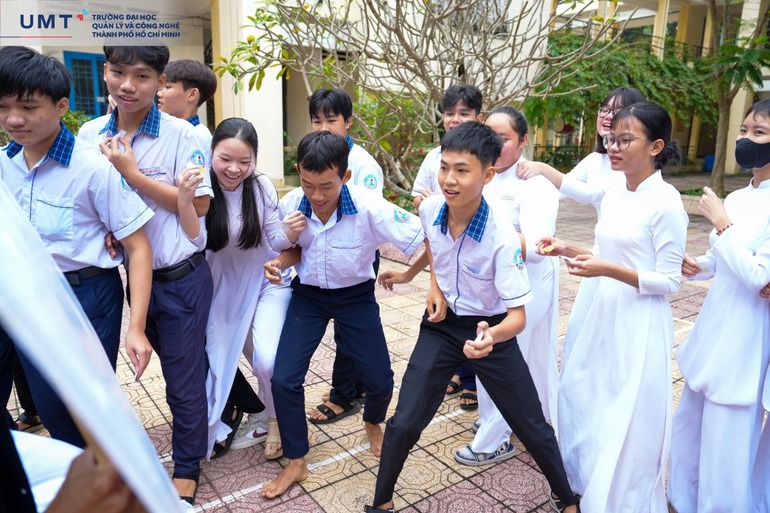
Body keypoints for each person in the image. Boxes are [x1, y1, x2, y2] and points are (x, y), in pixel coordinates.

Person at [366, 121, 580, 513]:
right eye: (444, 167)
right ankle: (381, 503)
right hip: (442, 327)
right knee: (404, 422)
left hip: (491, 330)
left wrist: (491, 337)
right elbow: (434, 244)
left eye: (462, 170)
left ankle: (567, 500)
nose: (449, 179)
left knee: (531, 425)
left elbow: (518, 317)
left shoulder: (502, 238)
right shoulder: (431, 208)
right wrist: (427, 283)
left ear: (487, 175)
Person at [535, 102, 687, 512]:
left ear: (655, 146)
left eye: (624, 140)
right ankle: (584, 480)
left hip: (639, 319)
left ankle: (620, 498)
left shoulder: (667, 203)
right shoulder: (615, 189)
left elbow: (670, 280)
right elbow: (607, 252)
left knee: (625, 408)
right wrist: (570, 248)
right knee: (583, 393)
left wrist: (607, 269)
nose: (613, 148)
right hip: (602, 310)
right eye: (611, 139)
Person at [78, 45, 213, 505]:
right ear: (105, 73)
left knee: (182, 380)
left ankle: (188, 465)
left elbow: (199, 205)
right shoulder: (91, 133)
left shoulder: (183, 134)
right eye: (118, 73)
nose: (128, 86)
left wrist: (132, 174)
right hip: (132, 281)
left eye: (142, 76)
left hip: (179, 279)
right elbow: (90, 200)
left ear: (160, 82)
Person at [0, 46, 154, 448]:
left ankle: (109, 471)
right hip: (25, 296)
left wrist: (136, 328)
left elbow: (138, 246)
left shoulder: (93, 168)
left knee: (81, 409)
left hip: (85, 296)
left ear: (61, 106)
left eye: (27, 107)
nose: (13, 119)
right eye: (3, 107)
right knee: (47, 403)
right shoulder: (3, 164)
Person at [260, 130, 424, 499]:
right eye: (308, 184)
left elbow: (428, 237)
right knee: (283, 379)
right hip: (309, 298)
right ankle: (296, 460)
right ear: (299, 171)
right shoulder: (293, 204)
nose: (316, 196)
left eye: (326, 186)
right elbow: (293, 251)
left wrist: (411, 276)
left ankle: (372, 422)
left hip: (355, 298)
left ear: (345, 176)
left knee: (380, 381)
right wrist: (279, 261)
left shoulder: (370, 207)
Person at [668, 99, 770, 513]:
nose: (746, 139)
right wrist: (699, 265)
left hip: (745, 335)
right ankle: (681, 501)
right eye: (744, 130)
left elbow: (760, 277)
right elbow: (725, 260)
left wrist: (722, 224)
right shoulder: (739, 196)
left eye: (759, 132)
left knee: (726, 447)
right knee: (688, 428)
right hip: (712, 327)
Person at [456, 106, 560, 466]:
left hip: (528, 285)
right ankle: (501, 419)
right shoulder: (483, 176)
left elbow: (538, 247)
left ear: (523, 140)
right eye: (490, 135)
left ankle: (494, 439)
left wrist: (490, 239)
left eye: (504, 138)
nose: (494, 144)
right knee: (501, 357)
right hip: (491, 287)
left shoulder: (536, 186)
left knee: (505, 359)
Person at [199, 118, 302, 460]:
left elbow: (275, 239)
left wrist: (290, 231)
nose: (234, 169)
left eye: (245, 161)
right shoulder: (199, 189)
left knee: (266, 360)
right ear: (211, 152)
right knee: (221, 361)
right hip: (224, 294)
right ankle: (256, 413)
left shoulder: (260, 187)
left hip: (267, 282)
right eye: (225, 159)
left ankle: (274, 421)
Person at [304, 87, 384, 425]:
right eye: (317, 121)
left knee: (349, 329)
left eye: (331, 120)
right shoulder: (314, 155)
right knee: (344, 327)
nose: (323, 128)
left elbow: (366, 214)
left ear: (348, 122)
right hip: (324, 254)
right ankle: (357, 385)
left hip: (355, 255)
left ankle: (343, 396)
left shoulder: (363, 164)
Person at [412, 83, 485, 410]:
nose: (455, 119)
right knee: (446, 309)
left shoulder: (484, 155)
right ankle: (455, 370)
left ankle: (472, 380)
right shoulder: (433, 157)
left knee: (475, 313)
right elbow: (419, 196)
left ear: (478, 117)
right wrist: (427, 203)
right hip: (444, 248)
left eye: (463, 113)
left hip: (475, 249)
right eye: (449, 113)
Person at [156, 59, 217, 152]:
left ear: (192, 94)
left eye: (167, 87)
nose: (159, 93)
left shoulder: (199, 136)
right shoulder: (166, 130)